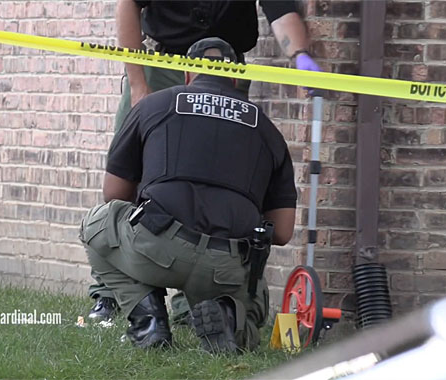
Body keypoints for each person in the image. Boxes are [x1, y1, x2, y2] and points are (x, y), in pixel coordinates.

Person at [87, 0, 319, 324]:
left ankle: (192, 306)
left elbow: (280, 10)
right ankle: (113, 294)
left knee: (215, 177)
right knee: (134, 176)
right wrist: (139, 83)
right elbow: (128, 5)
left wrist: (300, 56)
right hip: (165, 65)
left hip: (227, 70)